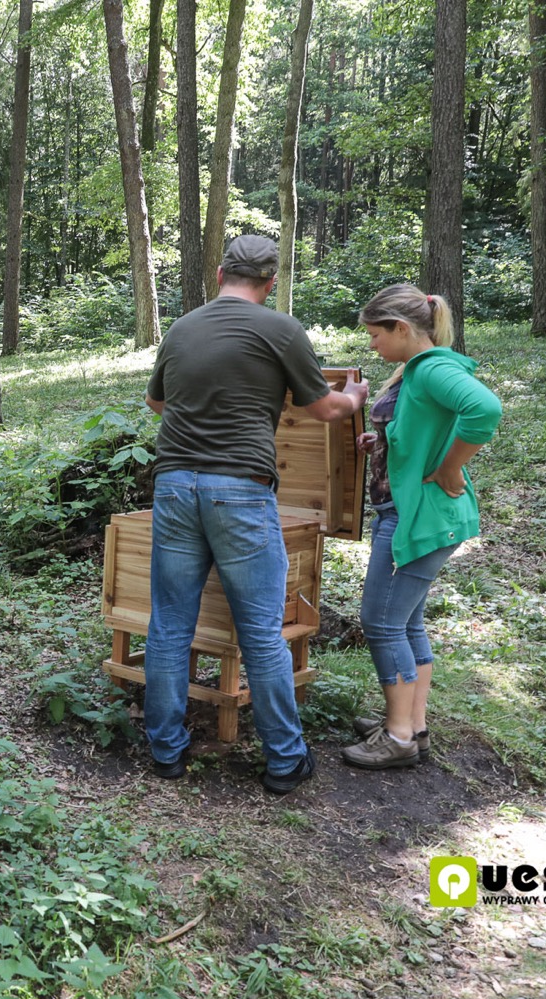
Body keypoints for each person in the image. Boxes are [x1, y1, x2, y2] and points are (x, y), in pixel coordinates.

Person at [143, 235, 368, 794]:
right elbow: (323, 408)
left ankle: (166, 752)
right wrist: (355, 399)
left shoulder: (183, 327)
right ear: (270, 283)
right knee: (263, 634)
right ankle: (285, 761)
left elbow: (157, 403)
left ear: (219, 274)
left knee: (170, 625)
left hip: (173, 485)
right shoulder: (281, 329)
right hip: (240, 492)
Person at [342, 284, 501, 769]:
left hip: (418, 515)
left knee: (381, 622)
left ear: (402, 329)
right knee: (406, 621)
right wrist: (386, 440)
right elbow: (422, 425)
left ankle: (398, 738)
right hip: (413, 510)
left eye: (375, 335)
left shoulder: (431, 368)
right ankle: (414, 724)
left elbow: (485, 410)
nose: (372, 344)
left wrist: (451, 468)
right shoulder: (414, 371)